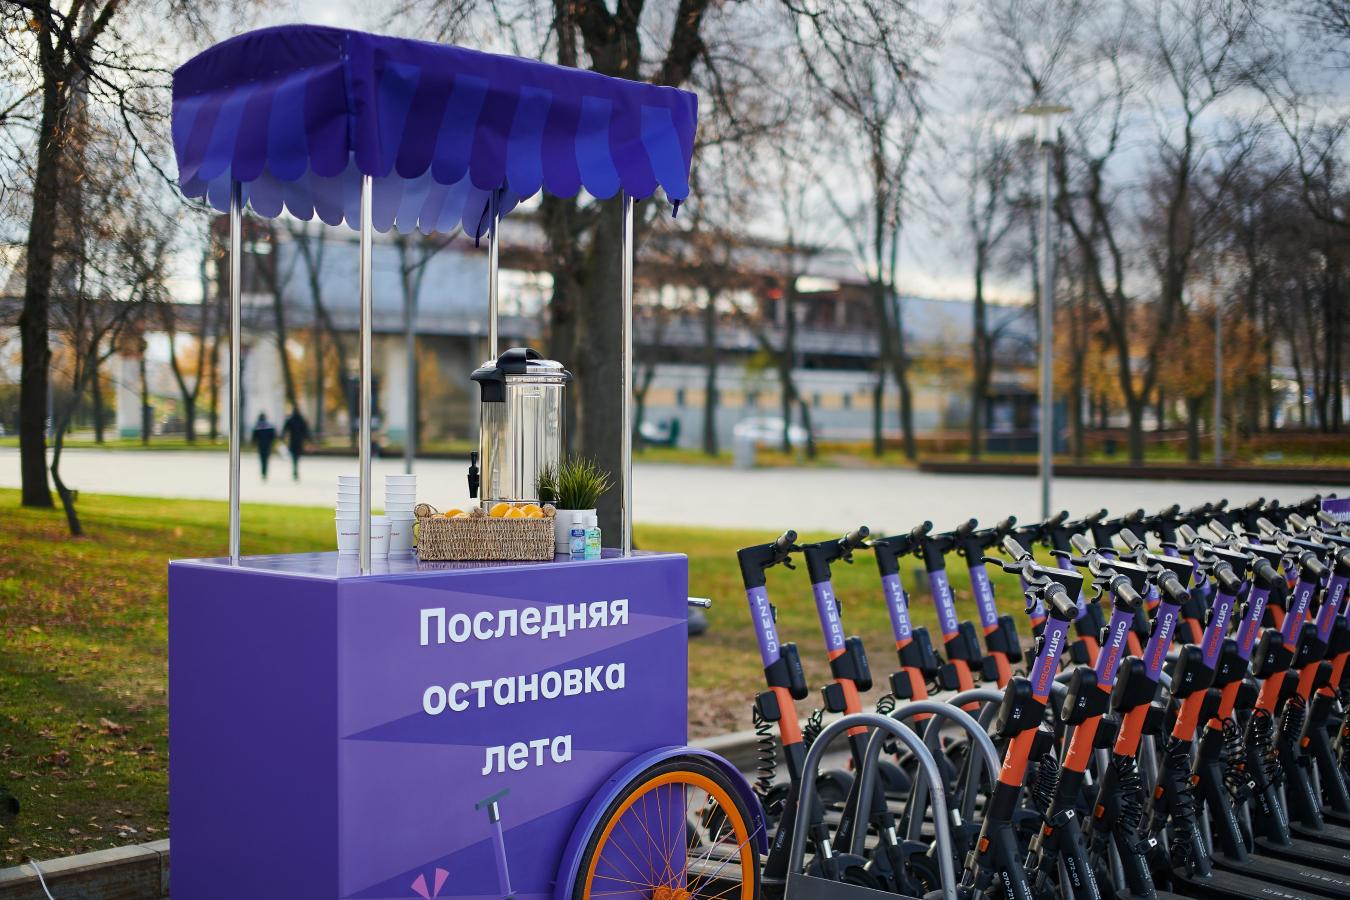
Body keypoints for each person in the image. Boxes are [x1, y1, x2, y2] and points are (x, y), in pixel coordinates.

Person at [281, 409, 310, 482]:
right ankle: (295, 469)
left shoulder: (290, 419)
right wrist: (309, 440)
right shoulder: (301, 420)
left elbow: (285, 429)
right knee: (297, 456)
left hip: (292, 441)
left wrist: (282, 438)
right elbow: (306, 431)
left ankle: (295, 469)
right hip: (299, 441)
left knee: (294, 456)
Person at [252, 413, 276, 480]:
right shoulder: (269, 425)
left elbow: (254, 437)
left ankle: (263, 472)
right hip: (268, 445)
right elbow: (273, 436)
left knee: (262, 459)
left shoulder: (257, 426)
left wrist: (254, 445)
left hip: (260, 445)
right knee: (266, 459)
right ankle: (265, 472)